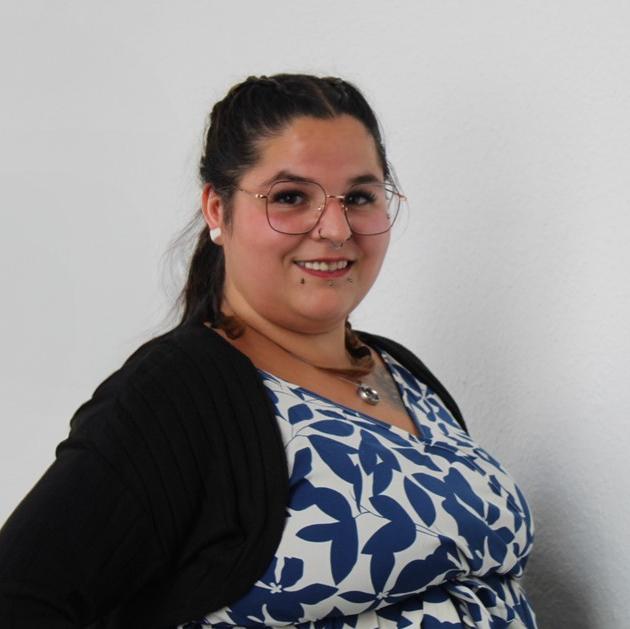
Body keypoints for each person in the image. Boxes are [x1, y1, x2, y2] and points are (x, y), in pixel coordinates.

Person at [0, 74, 537, 628]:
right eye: (290, 197)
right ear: (217, 210)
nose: (335, 229)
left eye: (359, 197)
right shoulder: (178, 393)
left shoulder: (402, 372)